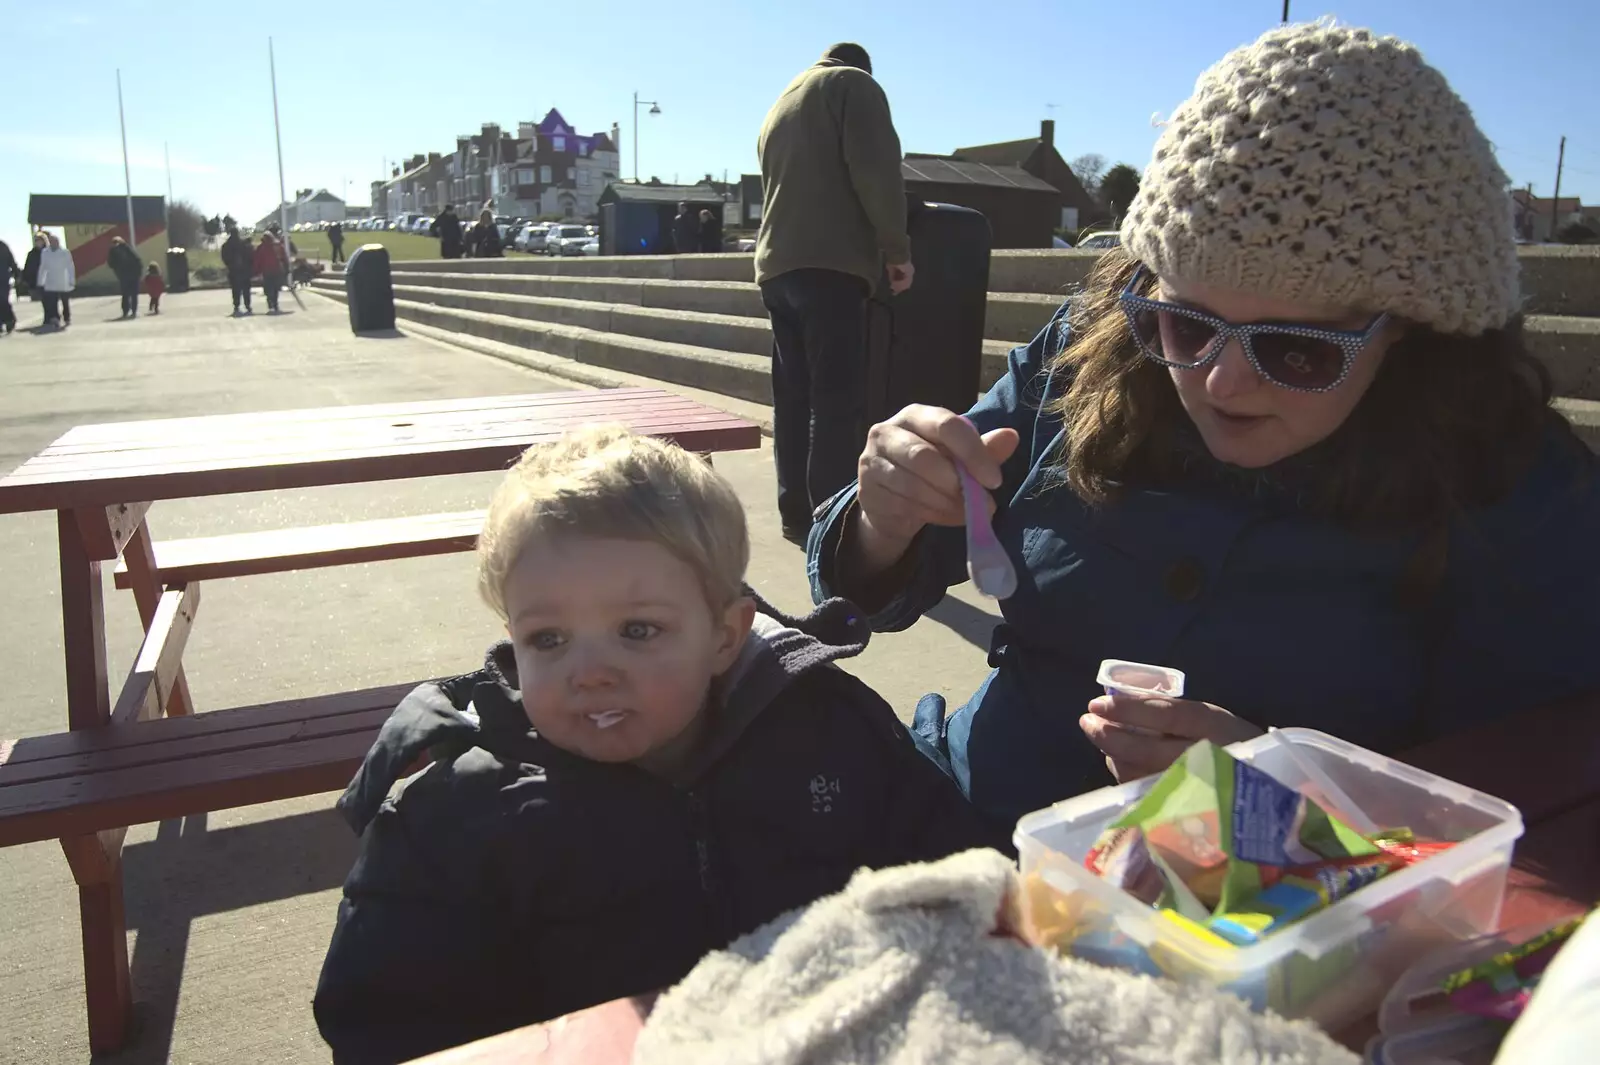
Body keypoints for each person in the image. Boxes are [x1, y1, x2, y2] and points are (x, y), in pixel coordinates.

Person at [806, 21, 1600, 829]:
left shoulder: (1516, 490)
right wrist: (885, 512)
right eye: (1185, 324)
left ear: (1416, 338)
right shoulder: (1092, 349)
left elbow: (1515, 806)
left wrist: (1283, 794)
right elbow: (870, 583)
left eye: (1298, 350)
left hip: (1264, 927)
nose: (1219, 380)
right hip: (962, 821)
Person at [312, 426, 1006, 1064]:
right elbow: (388, 1020)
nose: (589, 671)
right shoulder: (458, 818)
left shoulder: (828, 731)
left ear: (726, 634)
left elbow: (954, 878)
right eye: (547, 639)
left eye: (637, 630)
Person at [757, 42, 914, 544]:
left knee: (793, 396)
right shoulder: (854, 86)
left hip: (777, 267)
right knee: (835, 400)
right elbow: (877, 170)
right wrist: (897, 250)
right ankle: (829, 520)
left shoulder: (782, 102)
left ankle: (795, 514)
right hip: (832, 263)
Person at [36, 232, 75, 328]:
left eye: (55, 241)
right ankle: (55, 318)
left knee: (65, 301)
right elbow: (43, 267)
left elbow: (70, 267)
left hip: (63, 280)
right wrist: (40, 281)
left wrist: (71, 280)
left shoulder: (65, 252)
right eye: (52, 241)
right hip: (51, 280)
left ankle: (67, 317)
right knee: (52, 301)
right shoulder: (45, 252)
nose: (53, 243)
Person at [221, 223, 253, 315]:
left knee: (235, 290)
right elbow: (249, 255)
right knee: (246, 289)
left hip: (233, 270)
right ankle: (248, 306)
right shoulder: (243, 244)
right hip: (244, 270)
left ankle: (236, 306)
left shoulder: (226, 245)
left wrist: (229, 265)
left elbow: (224, 257)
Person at [107, 235, 142, 318]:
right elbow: (137, 260)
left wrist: (117, 270)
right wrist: (139, 272)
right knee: (134, 294)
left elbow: (111, 263)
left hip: (123, 275)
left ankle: (125, 311)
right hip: (133, 274)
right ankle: (133, 311)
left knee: (125, 294)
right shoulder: (127, 248)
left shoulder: (113, 251)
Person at [253, 231, 286, 314]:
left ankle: (270, 303)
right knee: (275, 288)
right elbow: (284, 257)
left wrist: (256, 271)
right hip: (276, 270)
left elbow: (257, 260)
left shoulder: (261, 247)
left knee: (268, 288)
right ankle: (275, 304)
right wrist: (286, 267)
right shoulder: (277, 246)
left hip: (266, 271)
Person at [0, 237, 17, 335]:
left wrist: (16, 272)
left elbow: (11, 260)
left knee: (3, 300)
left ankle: (10, 319)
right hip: (4, 277)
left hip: (2, 278)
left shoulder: (2, 246)